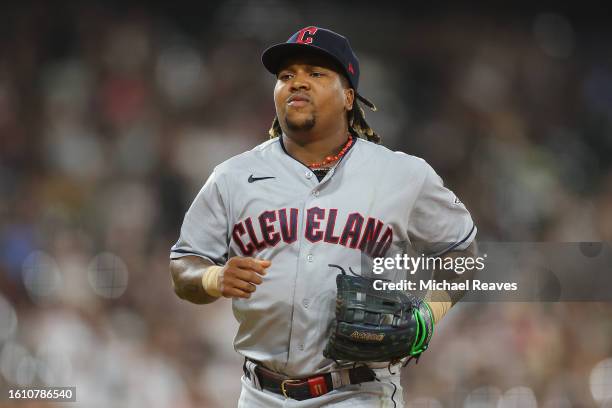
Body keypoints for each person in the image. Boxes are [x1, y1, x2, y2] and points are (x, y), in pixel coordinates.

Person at [170, 26, 477, 408]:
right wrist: (214, 276)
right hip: (258, 394)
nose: (297, 82)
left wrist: (427, 318)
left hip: (358, 392)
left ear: (349, 97)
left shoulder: (403, 175)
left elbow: (464, 257)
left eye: (316, 73)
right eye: (286, 76)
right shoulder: (233, 177)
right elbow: (183, 266)